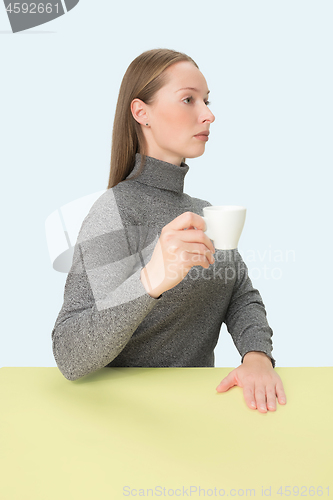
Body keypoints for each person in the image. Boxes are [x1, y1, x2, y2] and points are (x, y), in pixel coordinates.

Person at [51, 48, 286, 413]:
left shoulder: (204, 213)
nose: (208, 114)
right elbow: (69, 352)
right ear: (141, 112)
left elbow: (240, 295)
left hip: (200, 418)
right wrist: (151, 280)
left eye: (206, 101)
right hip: (128, 427)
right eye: (188, 100)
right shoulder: (114, 212)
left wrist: (256, 357)